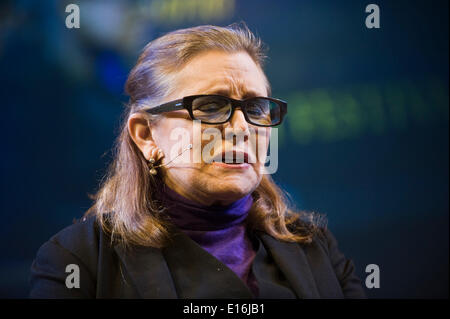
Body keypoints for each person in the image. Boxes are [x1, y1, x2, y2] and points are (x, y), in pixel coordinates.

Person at [29, 23, 366, 299]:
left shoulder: (315, 247)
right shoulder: (76, 263)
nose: (241, 128)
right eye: (210, 107)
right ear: (146, 135)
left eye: (256, 108)